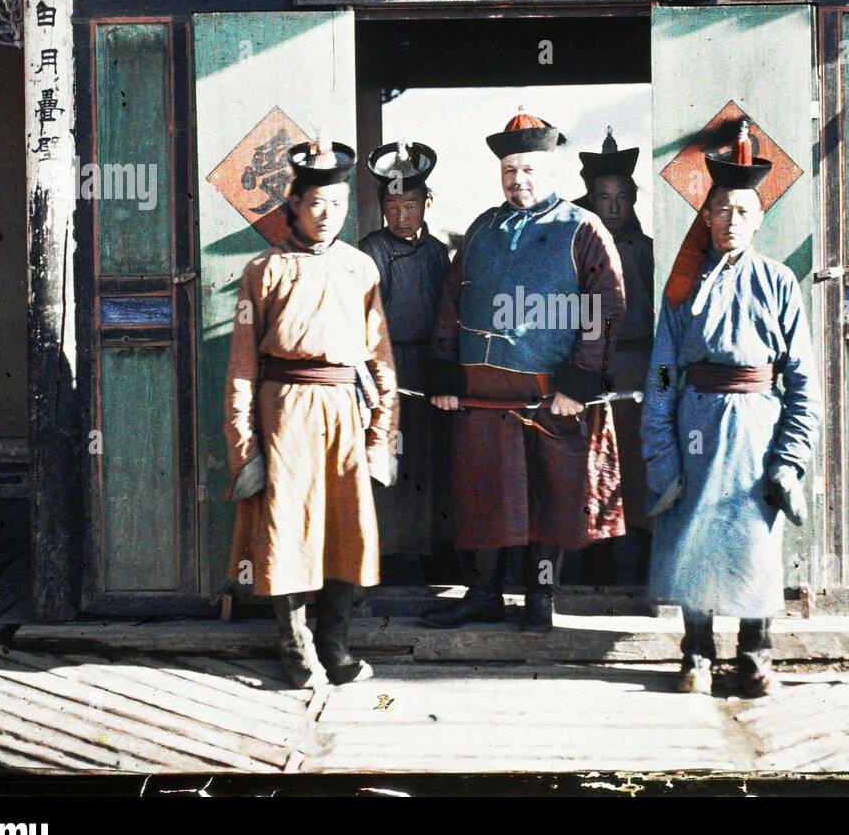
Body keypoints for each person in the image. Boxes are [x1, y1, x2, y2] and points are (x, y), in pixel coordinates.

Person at [421, 109, 627, 632]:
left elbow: (604, 307)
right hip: (481, 397)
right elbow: (451, 300)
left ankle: (539, 599)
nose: (519, 181)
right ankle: (483, 594)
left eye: (530, 170)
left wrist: (580, 383)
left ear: (551, 170)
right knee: (482, 493)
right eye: (510, 170)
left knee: (549, 498)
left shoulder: (582, 228)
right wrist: (445, 372)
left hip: (548, 398)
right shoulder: (482, 229)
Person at [641, 123, 820, 697]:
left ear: (759, 217)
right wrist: (662, 451)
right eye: (721, 210)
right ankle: (696, 653)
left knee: (751, 539)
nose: (731, 221)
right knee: (694, 534)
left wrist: (789, 461)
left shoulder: (779, 282)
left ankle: (755, 654)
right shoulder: (683, 288)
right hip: (695, 424)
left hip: (758, 428)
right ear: (708, 216)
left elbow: (802, 380)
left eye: (743, 210)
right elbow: (665, 370)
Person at [224, 133, 398, 689]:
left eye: (338, 204)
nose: (327, 215)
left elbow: (379, 357)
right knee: (287, 524)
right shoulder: (263, 270)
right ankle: (295, 645)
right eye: (316, 203)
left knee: (345, 524)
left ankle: (335, 642)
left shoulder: (360, 268)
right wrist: (243, 444)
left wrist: (380, 434)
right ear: (294, 206)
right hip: (286, 410)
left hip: (345, 408)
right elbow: (242, 367)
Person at [358, 141, 451, 580]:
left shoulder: (437, 252)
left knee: (428, 460)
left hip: (430, 369)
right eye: (392, 205)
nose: (401, 215)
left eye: (410, 204)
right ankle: (388, 556)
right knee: (388, 455)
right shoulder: (370, 251)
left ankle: (429, 554)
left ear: (426, 202)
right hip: (386, 369)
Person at [573, 127, 655, 585]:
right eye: (605, 198)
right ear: (591, 200)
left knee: (636, 466)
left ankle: (634, 567)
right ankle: (589, 565)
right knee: (590, 466)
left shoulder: (645, 251)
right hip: (591, 370)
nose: (616, 207)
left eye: (623, 197)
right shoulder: (578, 249)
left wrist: (661, 385)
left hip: (640, 368)